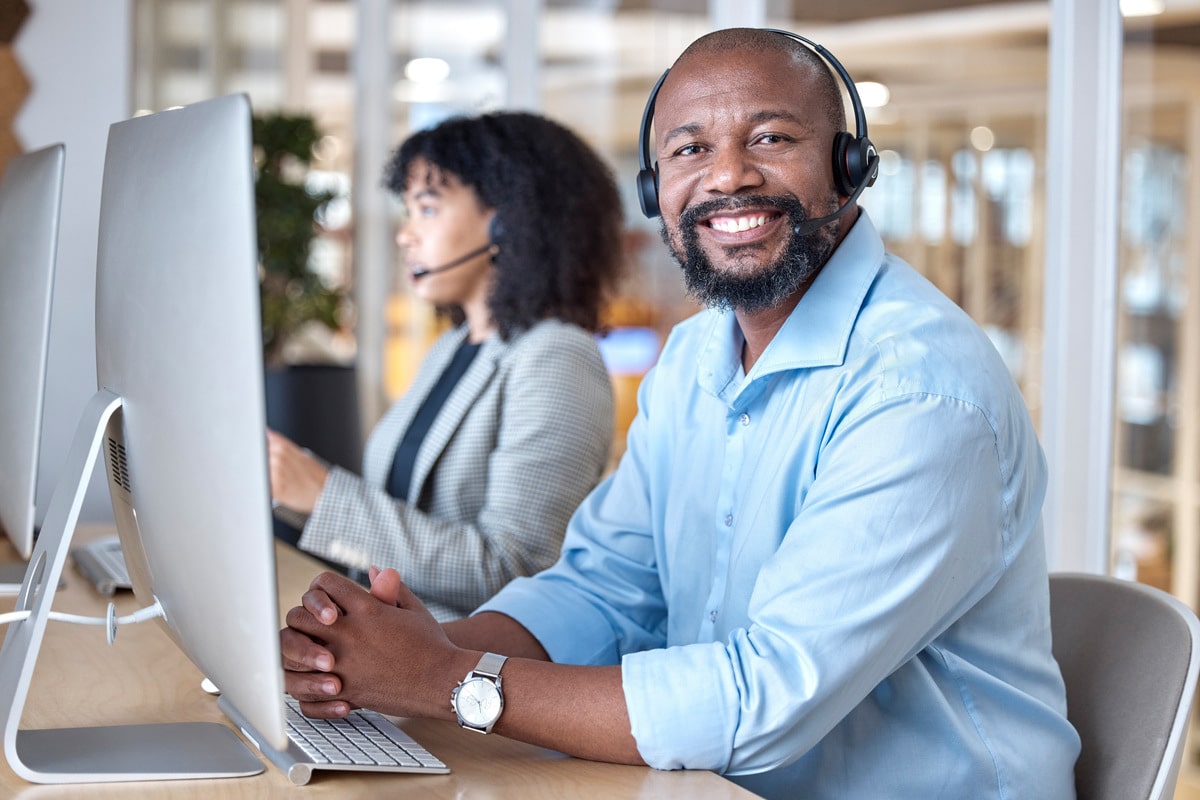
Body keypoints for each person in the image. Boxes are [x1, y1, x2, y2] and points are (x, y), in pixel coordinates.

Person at [279, 28, 1081, 798]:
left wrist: (443, 681)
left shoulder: (918, 391)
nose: (727, 177)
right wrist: (400, 658)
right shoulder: (699, 355)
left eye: (769, 138)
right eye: (690, 150)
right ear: (654, 191)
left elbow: (764, 698)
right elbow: (605, 586)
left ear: (849, 165)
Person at [267, 111, 624, 621]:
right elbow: (399, 516)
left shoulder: (557, 357)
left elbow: (513, 567)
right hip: (389, 651)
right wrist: (294, 491)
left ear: (507, 221)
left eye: (427, 208)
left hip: (463, 673)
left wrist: (325, 496)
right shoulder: (452, 348)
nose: (405, 235)